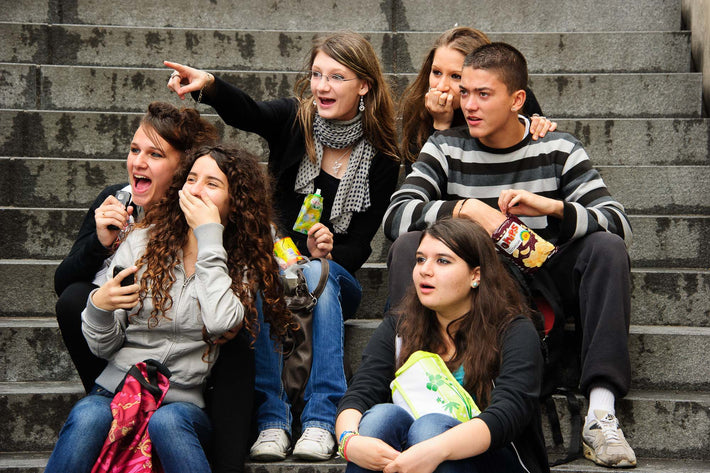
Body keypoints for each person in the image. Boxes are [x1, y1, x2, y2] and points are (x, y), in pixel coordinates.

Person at [383, 42, 636, 468]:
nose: (470, 105)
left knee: (606, 249)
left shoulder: (558, 148)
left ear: (517, 99)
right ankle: (417, 385)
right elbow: (396, 214)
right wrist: (466, 210)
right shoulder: (445, 147)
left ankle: (600, 411)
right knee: (408, 245)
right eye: (465, 93)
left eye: (484, 94)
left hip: (543, 280)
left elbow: (618, 221)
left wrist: (553, 208)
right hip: (475, 279)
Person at [165, 30, 401, 461]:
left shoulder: (383, 156)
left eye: (336, 77)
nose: (322, 87)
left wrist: (329, 249)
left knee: (314, 274)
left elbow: (364, 243)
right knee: (266, 273)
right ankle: (272, 421)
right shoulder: (296, 120)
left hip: (335, 276)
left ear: (364, 84)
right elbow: (250, 113)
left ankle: (320, 418)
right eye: (316, 75)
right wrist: (211, 86)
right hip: (273, 264)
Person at [45, 145, 291, 473]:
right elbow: (103, 346)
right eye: (191, 179)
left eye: (212, 184)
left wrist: (209, 237)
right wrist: (99, 308)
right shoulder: (141, 241)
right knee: (89, 414)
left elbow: (221, 323)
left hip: (183, 401)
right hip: (119, 390)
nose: (197, 190)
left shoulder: (242, 259)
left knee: (169, 421)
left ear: (235, 202)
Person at [336, 218, 548, 473]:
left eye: (443, 261)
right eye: (420, 259)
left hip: (494, 460)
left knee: (430, 427)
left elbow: (509, 413)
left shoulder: (513, 330)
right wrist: (349, 441)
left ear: (476, 275)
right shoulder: (400, 326)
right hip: (412, 457)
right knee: (381, 419)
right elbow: (359, 393)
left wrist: (436, 448)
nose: (425, 270)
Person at [398, 26, 556, 165]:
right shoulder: (417, 106)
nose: (441, 86)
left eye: (456, 76)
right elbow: (420, 183)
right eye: (436, 72)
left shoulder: (512, 96)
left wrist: (537, 125)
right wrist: (440, 126)